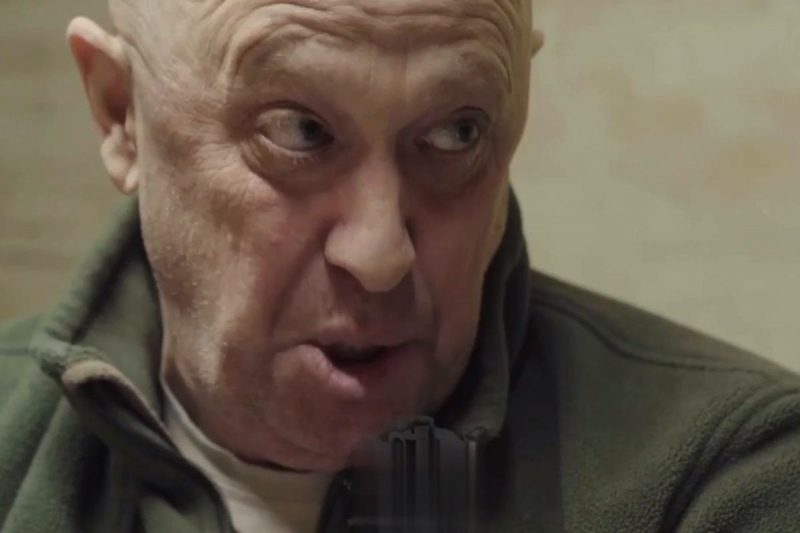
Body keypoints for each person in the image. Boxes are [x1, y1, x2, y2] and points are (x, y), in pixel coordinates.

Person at [1, 0, 798, 531]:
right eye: (300, 132)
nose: (380, 256)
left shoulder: (722, 476)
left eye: (457, 133)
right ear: (121, 113)